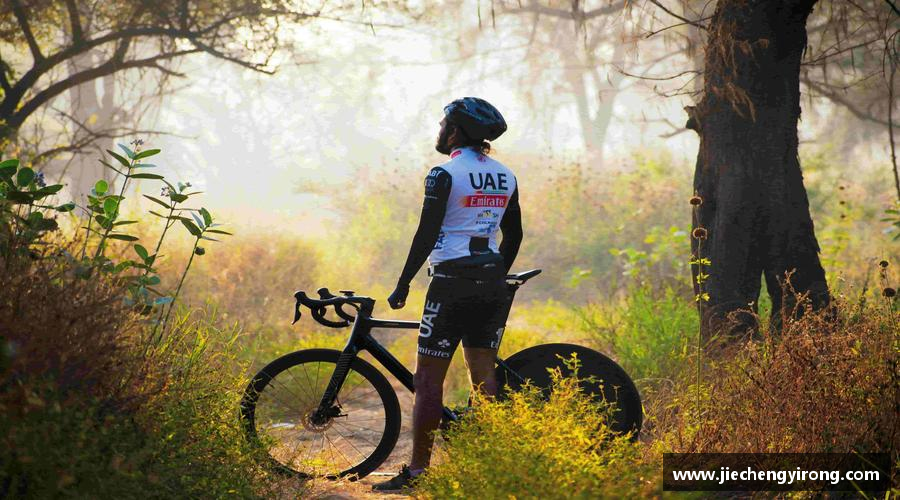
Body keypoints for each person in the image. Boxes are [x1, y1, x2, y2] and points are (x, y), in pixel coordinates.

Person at [372, 97, 523, 492]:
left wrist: (403, 282)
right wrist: (493, 274)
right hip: (491, 282)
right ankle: (488, 469)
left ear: (455, 132)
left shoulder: (443, 174)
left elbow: (426, 234)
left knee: (427, 381)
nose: (439, 131)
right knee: (483, 377)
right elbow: (514, 234)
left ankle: (418, 473)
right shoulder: (506, 175)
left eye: (443, 125)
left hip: (451, 282)